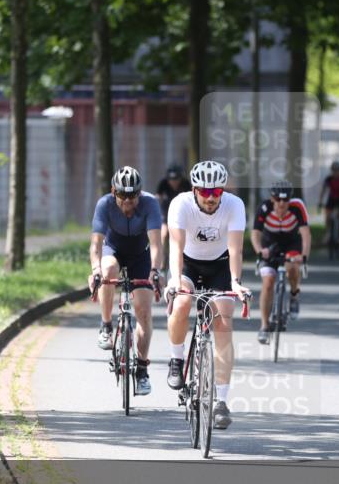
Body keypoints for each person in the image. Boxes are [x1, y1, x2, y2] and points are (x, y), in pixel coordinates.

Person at [165, 160, 251, 430]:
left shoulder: (234, 205)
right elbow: (176, 246)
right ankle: (177, 359)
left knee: (224, 323)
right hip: (188, 264)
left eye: (217, 192)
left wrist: (236, 283)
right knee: (182, 303)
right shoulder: (180, 204)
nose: (212, 197)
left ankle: (221, 402)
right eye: (205, 192)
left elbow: (236, 250)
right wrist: (176, 281)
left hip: (221, 266)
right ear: (194, 190)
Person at [89, 166, 164, 395]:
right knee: (108, 269)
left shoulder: (150, 204)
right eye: (122, 195)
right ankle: (106, 325)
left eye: (132, 196)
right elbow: (96, 244)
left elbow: (156, 244)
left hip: (140, 254)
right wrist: (95, 270)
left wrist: (155, 271)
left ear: (139, 193)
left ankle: (142, 370)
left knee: (143, 311)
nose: (128, 201)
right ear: (114, 191)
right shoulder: (105, 204)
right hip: (114, 249)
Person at [251, 180, 311, 344]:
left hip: (292, 243)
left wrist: (304, 256)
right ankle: (264, 325)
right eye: (278, 199)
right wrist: (259, 251)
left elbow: (306, 234)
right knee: (268, 282)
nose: (282, 203)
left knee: (292, 267)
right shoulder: (264, 208)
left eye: (286, 200)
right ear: (272, 199)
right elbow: (255, 233)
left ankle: (293, 295)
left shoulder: (298, 207)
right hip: (270, 245)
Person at [155, 163, 191, 269]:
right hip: (166, 212)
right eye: (171, 179)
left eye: (176, 179)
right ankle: (161, 260)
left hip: (182, 213)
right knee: (163, 234)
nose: (173, 182)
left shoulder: (186, 184)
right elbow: (158, 198)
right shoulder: (163, 183)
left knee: (184, 235)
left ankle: (184, 257)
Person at [317, 161, 339, 245]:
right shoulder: (328, 179)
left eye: (337, 170)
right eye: (334, 170)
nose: (336, 172)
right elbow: (323, 191)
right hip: (332, 199)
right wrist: (320, 202)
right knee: (327, 215)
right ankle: (328, 233)